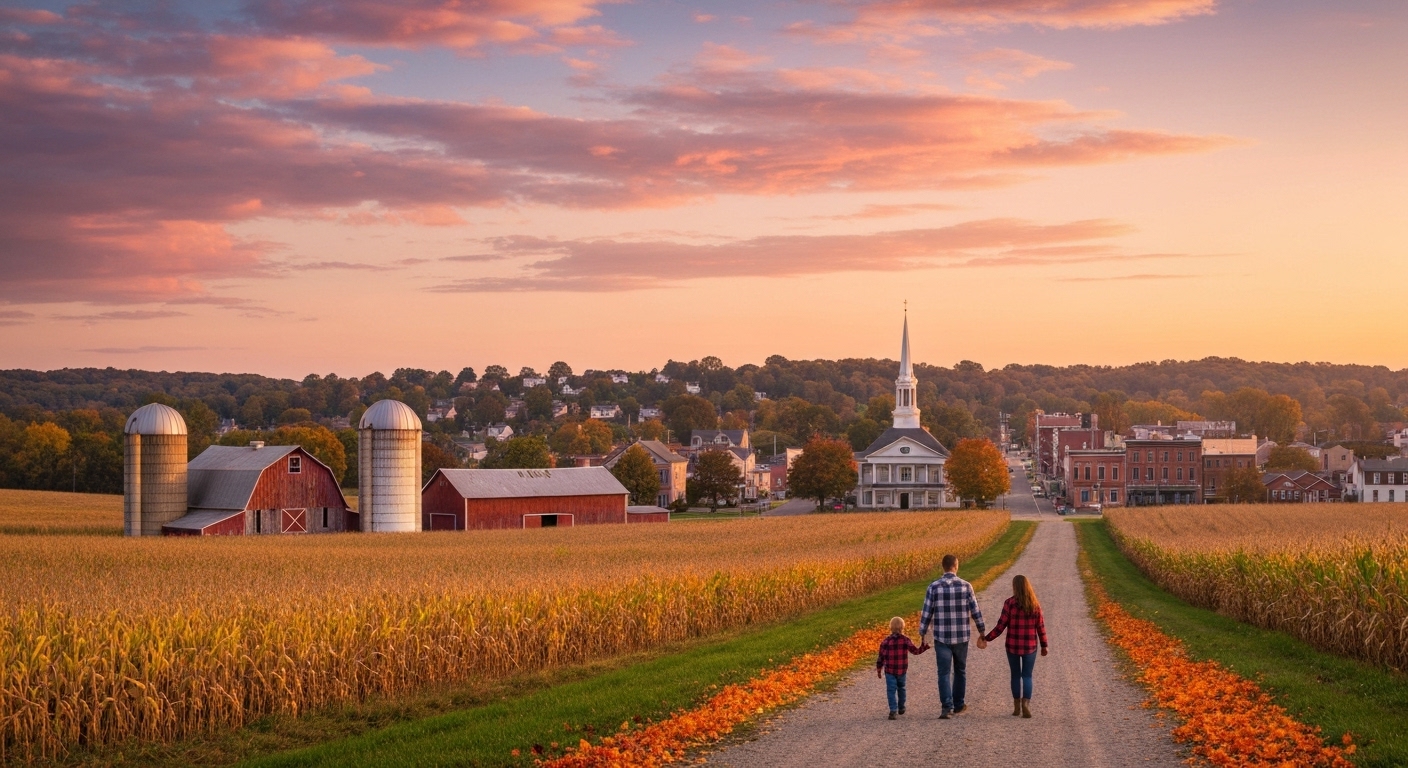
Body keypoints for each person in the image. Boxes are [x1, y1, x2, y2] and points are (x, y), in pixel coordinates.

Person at [919, 553, 987, 719]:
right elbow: (975, 611)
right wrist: (982, 630)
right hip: (961, 636)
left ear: (943, 567)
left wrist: (923, 632)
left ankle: (946, 707)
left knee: (943, 672)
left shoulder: (933, 587)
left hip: (941, 636)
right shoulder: (966, 586)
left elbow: (927, 612)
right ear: (956, 566)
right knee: (960, 670)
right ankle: (958, 704)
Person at [982, 574, 1049, 719]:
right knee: (1027, 675)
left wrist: (986, 638)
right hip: (1030, 646)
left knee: (1015, 675)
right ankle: (1026, 703)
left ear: (1014, 587)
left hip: (1012, 646)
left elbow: (1000, 626)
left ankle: (1017, 707)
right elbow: (1041, 627)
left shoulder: (1009, 603)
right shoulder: (1035, 605)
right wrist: (1044, 646)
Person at [876, 616, 930, 720]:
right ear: (902, 627)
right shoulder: (905, 640)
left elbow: (881, 657)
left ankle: (893, 710)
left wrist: (879, 670)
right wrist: (924, 647)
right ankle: (901, 706)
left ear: (890, 627)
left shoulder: (886, 642)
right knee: (901, 688)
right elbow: (915, 651)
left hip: (889, 671)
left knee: (891, 690)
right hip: (902, 670)